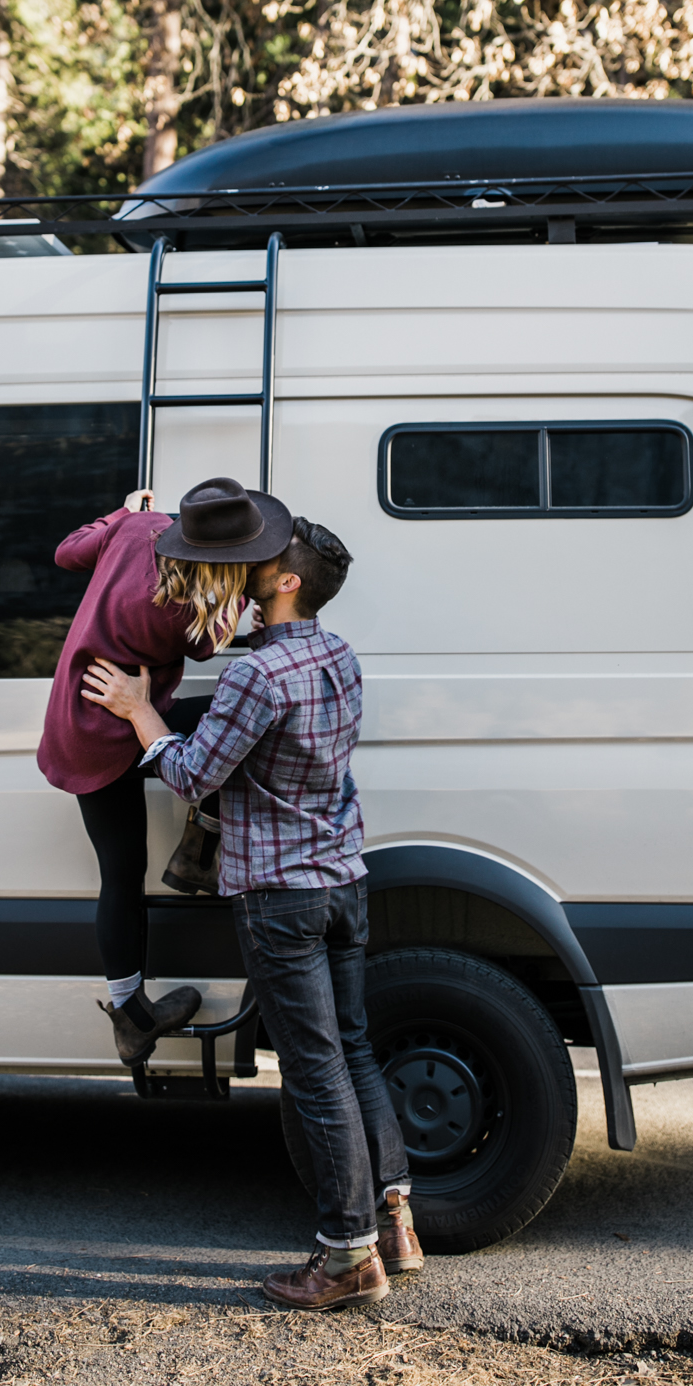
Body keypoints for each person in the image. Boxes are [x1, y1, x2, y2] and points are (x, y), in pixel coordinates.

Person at [82, 517, 422, 1313]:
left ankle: (346, 1259)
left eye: (267, 561)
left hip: (280, 894)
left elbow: (195, 776)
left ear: (288, 583)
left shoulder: (256, 677)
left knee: (313, 1072)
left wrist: (139, 709)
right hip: (343, 880)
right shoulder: (338, 655)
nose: (252, 563)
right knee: (353, 1047)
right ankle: (395, 1219)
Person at [37, 476, 293, 1068]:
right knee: (245, 728)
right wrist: (236, 600)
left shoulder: (134, 529)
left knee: (120, 875)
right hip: (111, 725)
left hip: (80, 718)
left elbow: (67, 551)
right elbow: (207, 644)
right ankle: (200, 847)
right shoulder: (185, 614)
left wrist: (120, 514)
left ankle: (131, 1013)